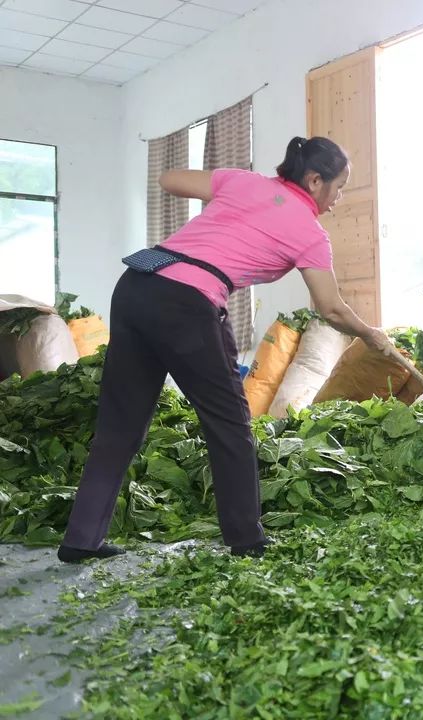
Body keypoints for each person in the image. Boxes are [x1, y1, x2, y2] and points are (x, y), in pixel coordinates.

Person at [58, 136, 391, 563]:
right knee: (230, 423)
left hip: (139, 283)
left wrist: (230, 199)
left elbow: (168, 178)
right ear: (313, 180)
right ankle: (246, 541)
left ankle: (80, 539)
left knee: (120, 425)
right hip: (186, 303)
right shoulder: (309, 232)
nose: (339, 198)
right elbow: (330, 308)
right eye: (338, 186)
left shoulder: (245, 182)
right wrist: (370, 334)